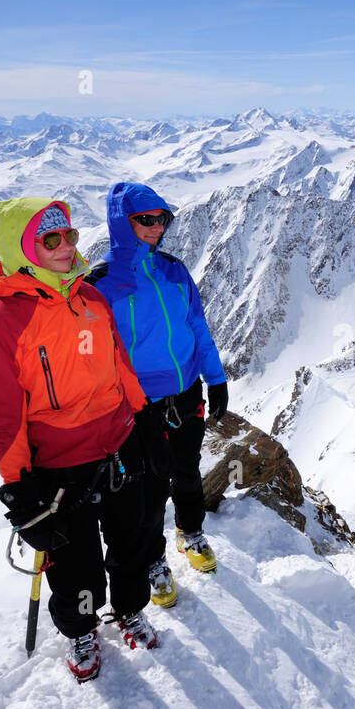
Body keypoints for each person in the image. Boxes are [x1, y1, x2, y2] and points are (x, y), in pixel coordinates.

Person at [0, 197, 170, 683]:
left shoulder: (90, 299)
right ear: (20, 248)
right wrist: (19, 486)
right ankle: (82, 629)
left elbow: (121, 367)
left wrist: (144, 422)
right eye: (49, 239)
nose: (65, 248)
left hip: (119, 443)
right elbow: (2, 416)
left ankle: (129, 609)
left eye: (70, 236)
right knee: (74, 563)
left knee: (132, 541)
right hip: (59, 468)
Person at [88, 182, 229, 607]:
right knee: (148, 488)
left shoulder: (174, 270)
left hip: (186, 391)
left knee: (186, 470)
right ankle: (153, 561)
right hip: (136, 403)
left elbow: (197, 327)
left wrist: (215, 376)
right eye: (145, 219)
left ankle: (191, 532)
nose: (156, 227)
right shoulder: (101, 284)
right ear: (121, 221)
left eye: (162, 218)